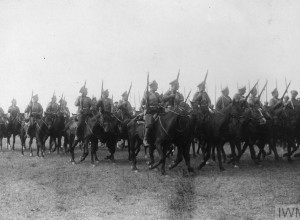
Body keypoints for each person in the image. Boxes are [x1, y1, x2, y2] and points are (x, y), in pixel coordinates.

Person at [141, 80, 163, 146]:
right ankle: (145, 139)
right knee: (149, 123)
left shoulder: (157, 94)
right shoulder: (146, 93)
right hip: (149, 112)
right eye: (156, 86)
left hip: (156, 111)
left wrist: (160, 104)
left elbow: (161, 102)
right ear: (152, 86)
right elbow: (142, 103)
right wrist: (145, 106)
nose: (157, 87)